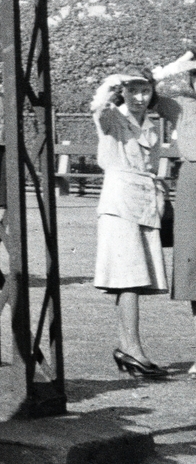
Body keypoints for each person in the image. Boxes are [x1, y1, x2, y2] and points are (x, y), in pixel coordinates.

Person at [90, 69, 174, 378]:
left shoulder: (150, 125)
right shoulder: (113, 117)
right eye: (133, 90)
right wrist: (112, 81)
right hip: (120, 203)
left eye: (146, 91)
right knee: (129, 279)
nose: (140, 97)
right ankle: (132, 349)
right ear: (122, 92)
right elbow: (97, 108)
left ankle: (128, 347)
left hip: (145, 202)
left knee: (134, 280)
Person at [153, 50, 196, 375]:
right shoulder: (182, 106)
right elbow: (134, 89)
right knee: (193, 266)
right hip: (192, 184)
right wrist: (175, 65)